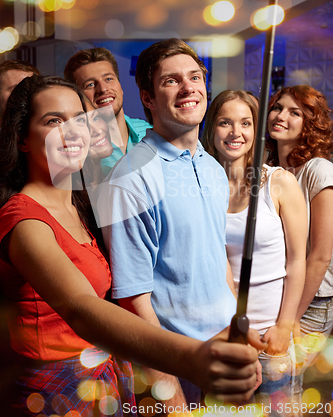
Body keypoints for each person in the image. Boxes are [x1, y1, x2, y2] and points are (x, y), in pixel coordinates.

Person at [0, 74, 264, 416]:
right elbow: (80, 308)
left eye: (79, 119)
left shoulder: (79, 205)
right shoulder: (23, 219)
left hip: (103, 377)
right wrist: (189, 357)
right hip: (55, 394)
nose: (72, 131)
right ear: (22, 139)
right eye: (54, 121)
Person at [95, 39, 261, 406]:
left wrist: (239, 339)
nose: (189, 88)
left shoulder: (213, 167)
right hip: (177, 363)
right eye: (171, 81)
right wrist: (167, 391)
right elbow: (132, 299)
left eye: (195, 77)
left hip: (224, 347)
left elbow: (218, 262)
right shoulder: (130, 179)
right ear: (148, 99)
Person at [201, 90, 307, 408]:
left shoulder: (279, 182)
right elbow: (216, 262)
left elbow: (297, 259)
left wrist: (285, 325)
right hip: (226, 334)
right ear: (211, 129)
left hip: (271, 334)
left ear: (256, 129)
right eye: (225, 122)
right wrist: (233, 325)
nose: (236, 133)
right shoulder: (204, 187)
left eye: (246, 123)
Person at [266, 84, 333, 400]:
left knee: (286, 388)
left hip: (313, 301)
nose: (281, 116)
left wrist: (290, 318)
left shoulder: (318, 169)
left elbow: (320, 255)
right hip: (282, 295)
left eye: (295, 112)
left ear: (311, 124)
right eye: (278, 107)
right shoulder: (271, 170)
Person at [64, 47, 152, 175]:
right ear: (77, 97)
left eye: (108, 79)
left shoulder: (151, 132)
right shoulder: (80, 150)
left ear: (120, 85)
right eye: (90, 84)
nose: (103, 89)